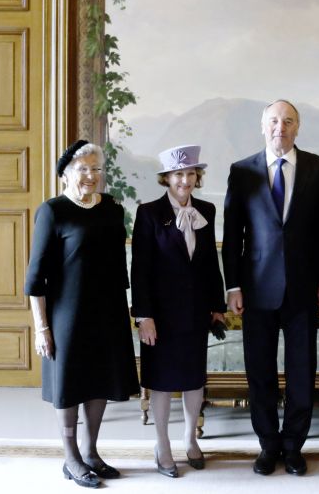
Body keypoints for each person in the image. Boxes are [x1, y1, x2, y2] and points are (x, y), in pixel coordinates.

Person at [222, 99, 319, 476]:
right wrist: (233, 286)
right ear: (263, 125)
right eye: (274, 121)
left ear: (297, 127)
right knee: (260, 372)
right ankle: (268, 445)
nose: (280, 128)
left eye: (288, 121)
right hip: (256, 290)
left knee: (302, 371)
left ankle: (293, 446)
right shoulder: (242, 171)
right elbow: (233, 234)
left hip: (305, 288)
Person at [25, 140, 139, 489]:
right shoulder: (53, 211)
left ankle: (91, 452)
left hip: (108, 310)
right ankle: (71, 457)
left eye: (96, 169)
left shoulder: (112, 208)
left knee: (100, 379)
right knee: (69, 383)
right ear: (65, 174)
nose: (91, 175)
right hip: (67, 313)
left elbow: (118, 263)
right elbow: (35, 277)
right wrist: (41, 327)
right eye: (83, 169)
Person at [131, 145, 227, 477]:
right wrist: (144, 316)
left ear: (197, 177)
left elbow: (210, 263)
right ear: (166, 178)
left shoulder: (206, 210)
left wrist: (217, 307)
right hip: (160, 316)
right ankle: (162, 445)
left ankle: (190, 438)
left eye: (190, 174)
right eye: (178, 174)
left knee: (193, 378)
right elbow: (140, 269)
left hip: (196, 312)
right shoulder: (148, 213)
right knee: (161, 381)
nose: (185, 180)